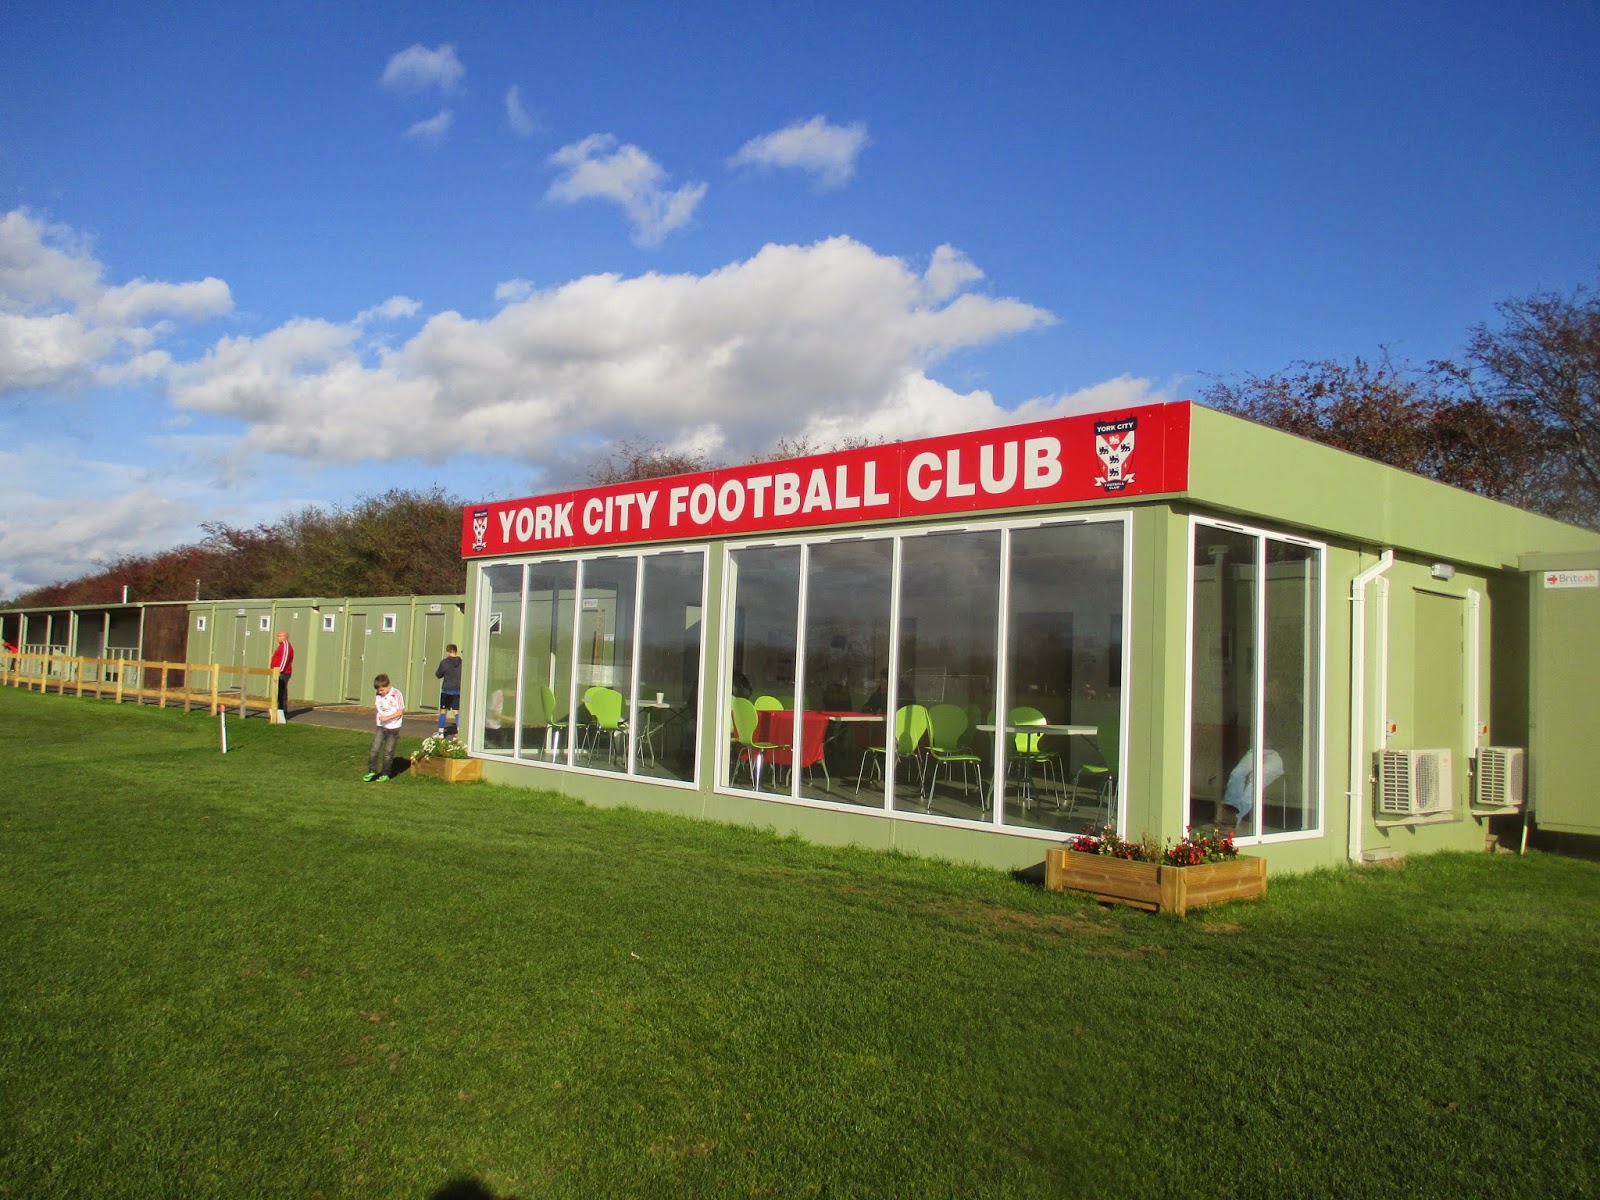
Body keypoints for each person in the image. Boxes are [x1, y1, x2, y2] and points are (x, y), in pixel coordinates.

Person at [364, 674, 405, 782]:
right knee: (374, 749)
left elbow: (400, 712)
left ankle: (386, 773)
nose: (380, 692)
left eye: (382, 690)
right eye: (378, 690)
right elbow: (379, 707)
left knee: (388, 752)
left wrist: (387, 717)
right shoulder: (378, 694)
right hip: (381, 726)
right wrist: (380, 719)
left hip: (393, 727)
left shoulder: (396, 694)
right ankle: (372, 771)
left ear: (388, 685)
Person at [435, 644, 463, 735]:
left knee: (443, 711)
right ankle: (459, 730)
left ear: (448, 652)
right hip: (458, 689)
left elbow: (438, 675)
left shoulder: (444, 662)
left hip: (447, 689)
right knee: (456, 711)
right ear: (456, 651)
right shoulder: (461, 662)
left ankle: (441, 733)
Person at [269, 630, 294, 723]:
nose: (278, 638)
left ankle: (283, 712)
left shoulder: (286, 646)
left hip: (283, 673)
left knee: (282, 693)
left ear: (284, 637)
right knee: (278, 693)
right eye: (277, 636)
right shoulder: (281, 646)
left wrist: (279, 670)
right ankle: (278, 712)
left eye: (279, 636)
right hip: (277, 672)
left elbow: (284, 659)